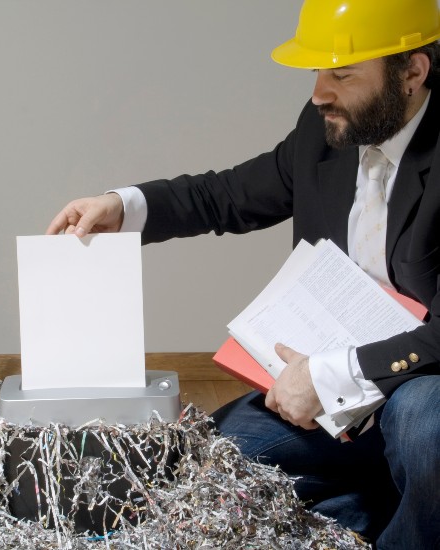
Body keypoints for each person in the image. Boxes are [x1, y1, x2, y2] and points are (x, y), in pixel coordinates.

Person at [46, 1, 440, 548]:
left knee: (431, 429)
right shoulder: (329, 125)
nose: (319, 93)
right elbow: (229, 194)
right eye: (316, 71)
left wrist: (335, 375)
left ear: (413, 73)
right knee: (219, 463)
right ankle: (380, 508)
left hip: (416, 383)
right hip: (331, 392)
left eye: (342, 74)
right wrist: (125, 206)